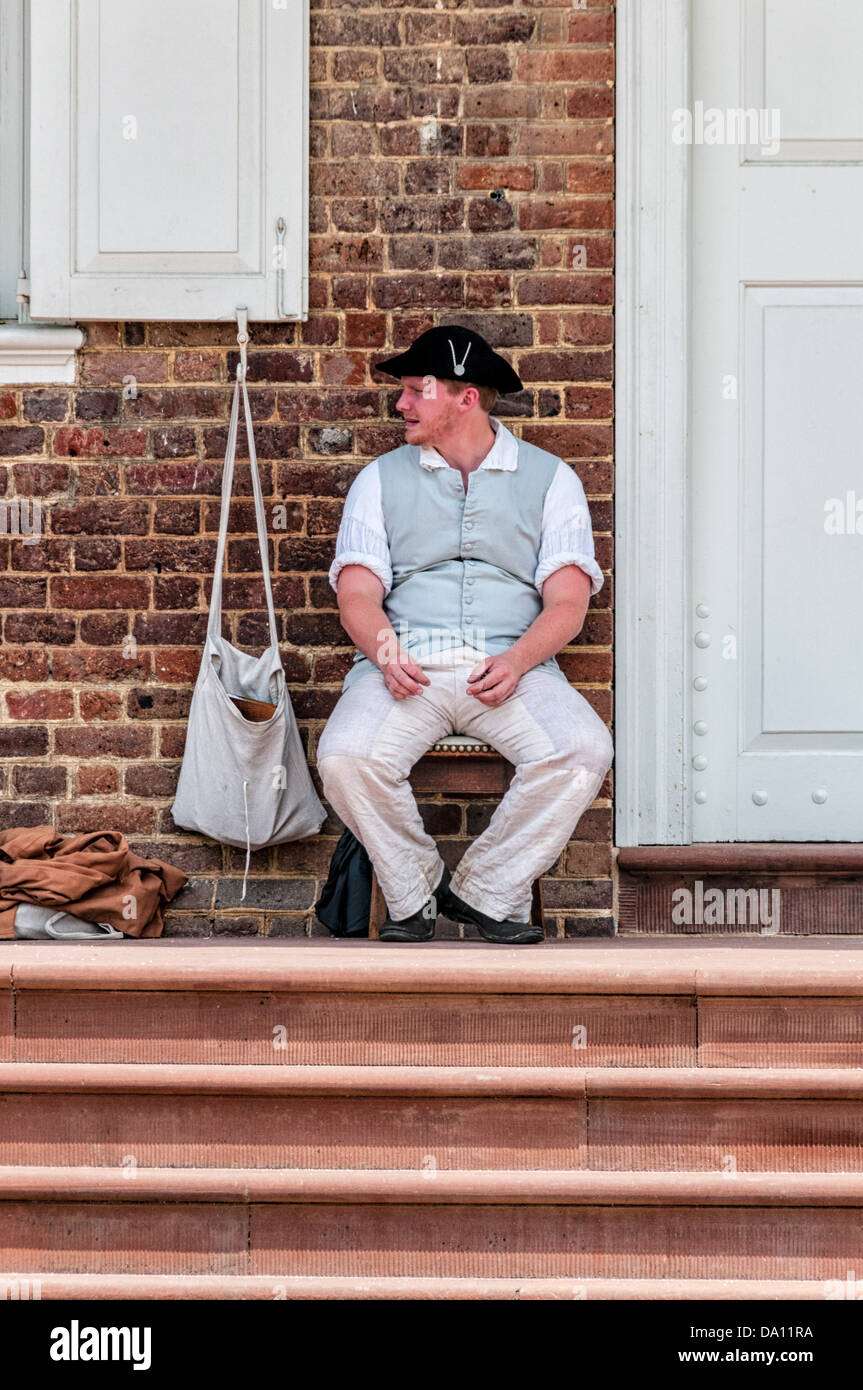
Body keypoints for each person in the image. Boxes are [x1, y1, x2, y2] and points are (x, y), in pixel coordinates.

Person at [316, 324, 614, 944]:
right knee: (345, 757)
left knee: (583, 748)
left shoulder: (552, 479)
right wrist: (385, 651)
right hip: (405, 667)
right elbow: (358, 594)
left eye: (415, 391)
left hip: (512, 668)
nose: (400, 404)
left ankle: (484, 890)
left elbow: (567, 601)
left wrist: (518, 660)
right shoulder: (378, 479)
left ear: (465, 397)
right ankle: (414, 888)